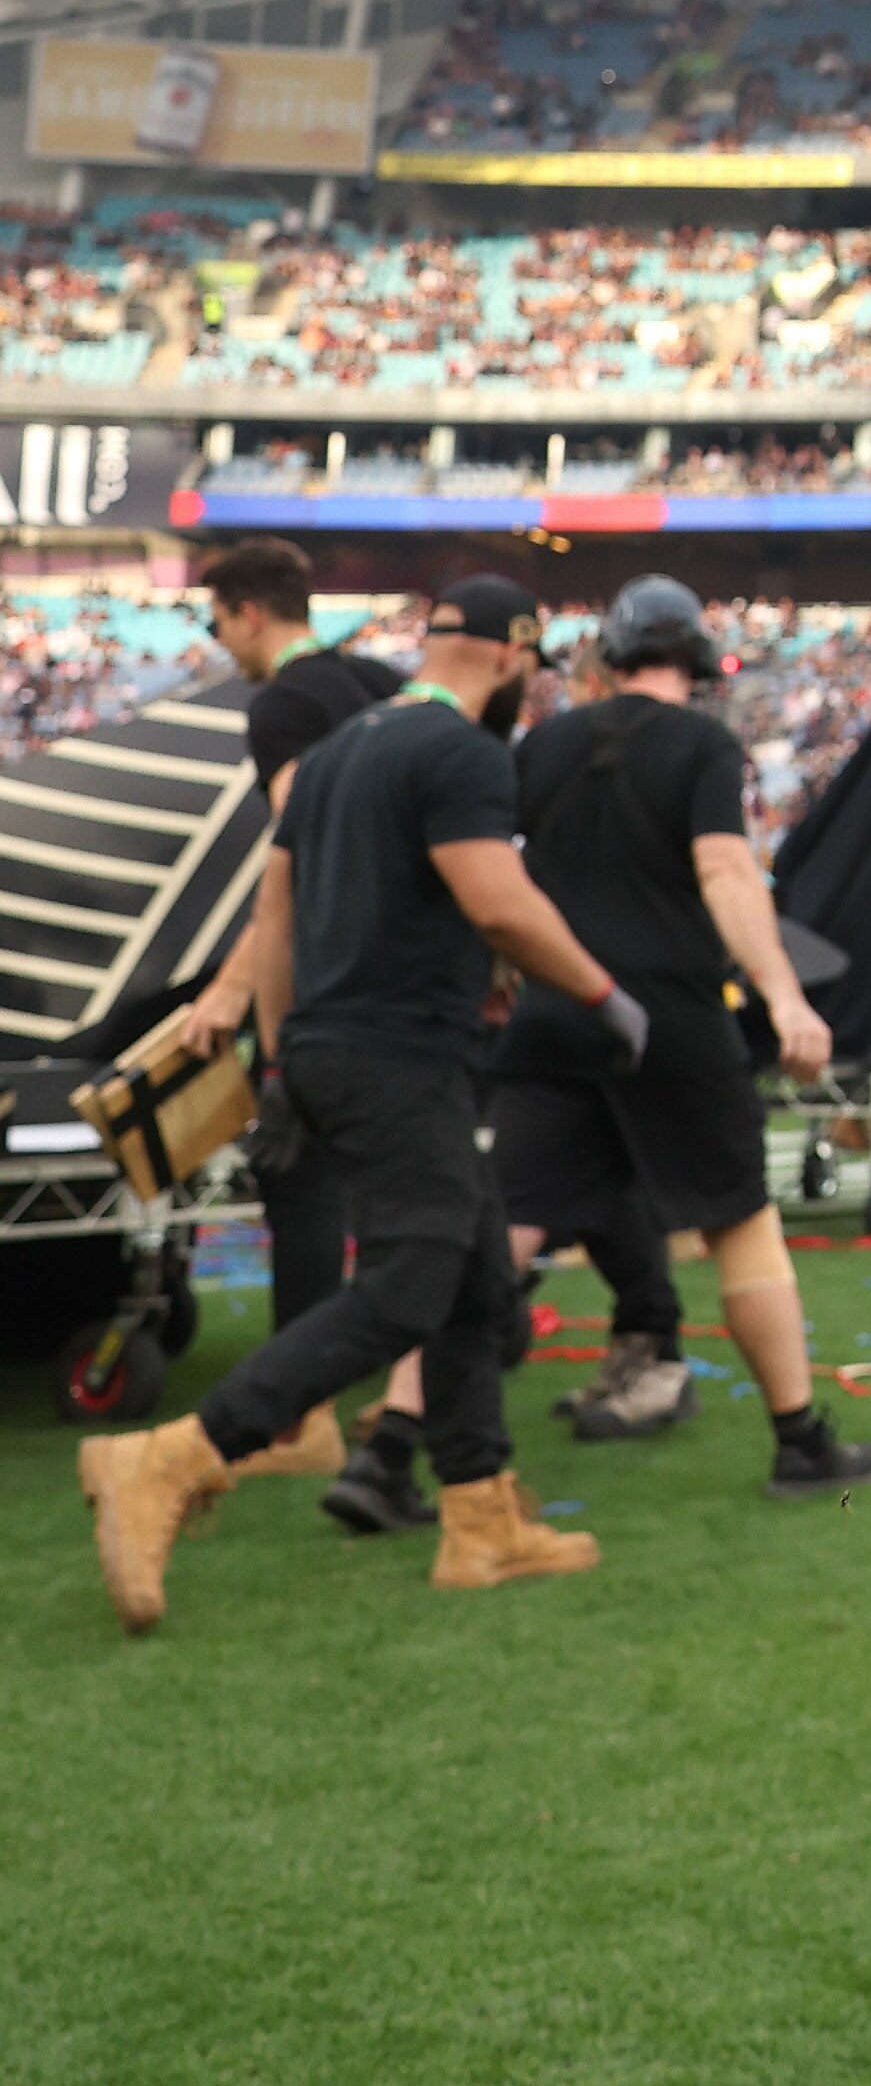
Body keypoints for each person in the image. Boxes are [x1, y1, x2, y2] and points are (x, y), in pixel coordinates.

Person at [83, 578, 641, 1628]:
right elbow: (498, 901)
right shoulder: (464, 752)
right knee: (408, 1284)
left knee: (476, 1283)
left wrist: (282, 1060)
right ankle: (177, 1455)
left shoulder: (338, 751)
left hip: (333, 1048)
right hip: (404, 1056)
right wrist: (604, 995)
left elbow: (277, 912)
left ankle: (481, 1516)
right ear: (512, 653)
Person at [488, 575, 871, 1492]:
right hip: (671, 1011)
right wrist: (785, 997)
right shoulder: (702, 743)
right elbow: (726, 874)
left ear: (613, 653)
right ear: (696, 658)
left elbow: (502, 878)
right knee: (740, 1219)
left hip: (556, 1006)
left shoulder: (542, 744)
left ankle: (403, 1433)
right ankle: (799, 1440)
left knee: (508, 1222)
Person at [170, 539, 405, 1504]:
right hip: (415, 975)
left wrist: (237, 988)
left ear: (249, 612)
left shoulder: (283, 705)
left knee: (300, 1177)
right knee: (418, 1196)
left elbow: (304, 855)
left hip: (337, 982)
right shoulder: (380, 680)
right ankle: (419, 1398)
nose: (219, 641)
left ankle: (303, 1416)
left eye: (216, 620)